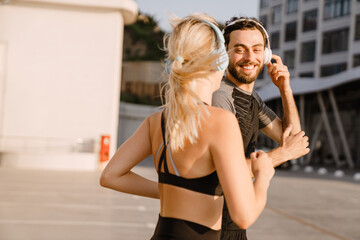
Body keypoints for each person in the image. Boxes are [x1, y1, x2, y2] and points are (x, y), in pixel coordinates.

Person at [100, 13, 275, 240]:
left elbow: (111, 176)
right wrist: (263, 176)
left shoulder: (157, 121)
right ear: (218, 61)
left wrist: (171, 191)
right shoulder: (221, 121)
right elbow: (243, 216)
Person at [212, 17, 310, 240]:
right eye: (240, 49)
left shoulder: (252, 99)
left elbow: (295, 139)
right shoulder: (221, 97)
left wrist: (285, 89)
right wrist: (282, 155)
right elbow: (222, 174)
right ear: (223, 54)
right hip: (214, 225)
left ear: (266, 55)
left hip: (235, 221)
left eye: (257, 50)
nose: (249, 58)